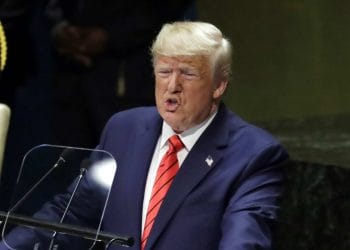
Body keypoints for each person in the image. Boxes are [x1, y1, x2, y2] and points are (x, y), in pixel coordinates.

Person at [0, 21, 288, 250]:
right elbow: (73, 212)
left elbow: (244, 239)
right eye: (164, 71)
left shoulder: (254, 154)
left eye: (188, 74)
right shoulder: (124, 130)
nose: (172, 86)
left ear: (218, 85)